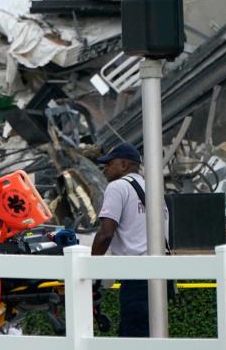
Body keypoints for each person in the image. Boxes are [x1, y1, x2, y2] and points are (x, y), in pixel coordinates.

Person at [91, 143, 169, 337]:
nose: (104, 168)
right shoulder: (152, 188)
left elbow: (106, 233)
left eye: (109, 164)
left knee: (133, 338)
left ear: (124, 165)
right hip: (162, 273)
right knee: (150, 334)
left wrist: (89, 267)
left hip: (138, 275)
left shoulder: (118, 187)